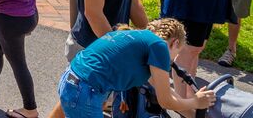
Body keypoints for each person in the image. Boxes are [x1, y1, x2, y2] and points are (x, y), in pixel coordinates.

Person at [57, 19, 216, 118]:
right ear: (174, 43)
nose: (173, 60)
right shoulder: (159, 46)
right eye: (177, 53)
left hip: (72, 83)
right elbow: (166, 101)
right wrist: (195, 101)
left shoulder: (141, 41)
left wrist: (194, 111)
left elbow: (167, 92)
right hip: (85, 91)